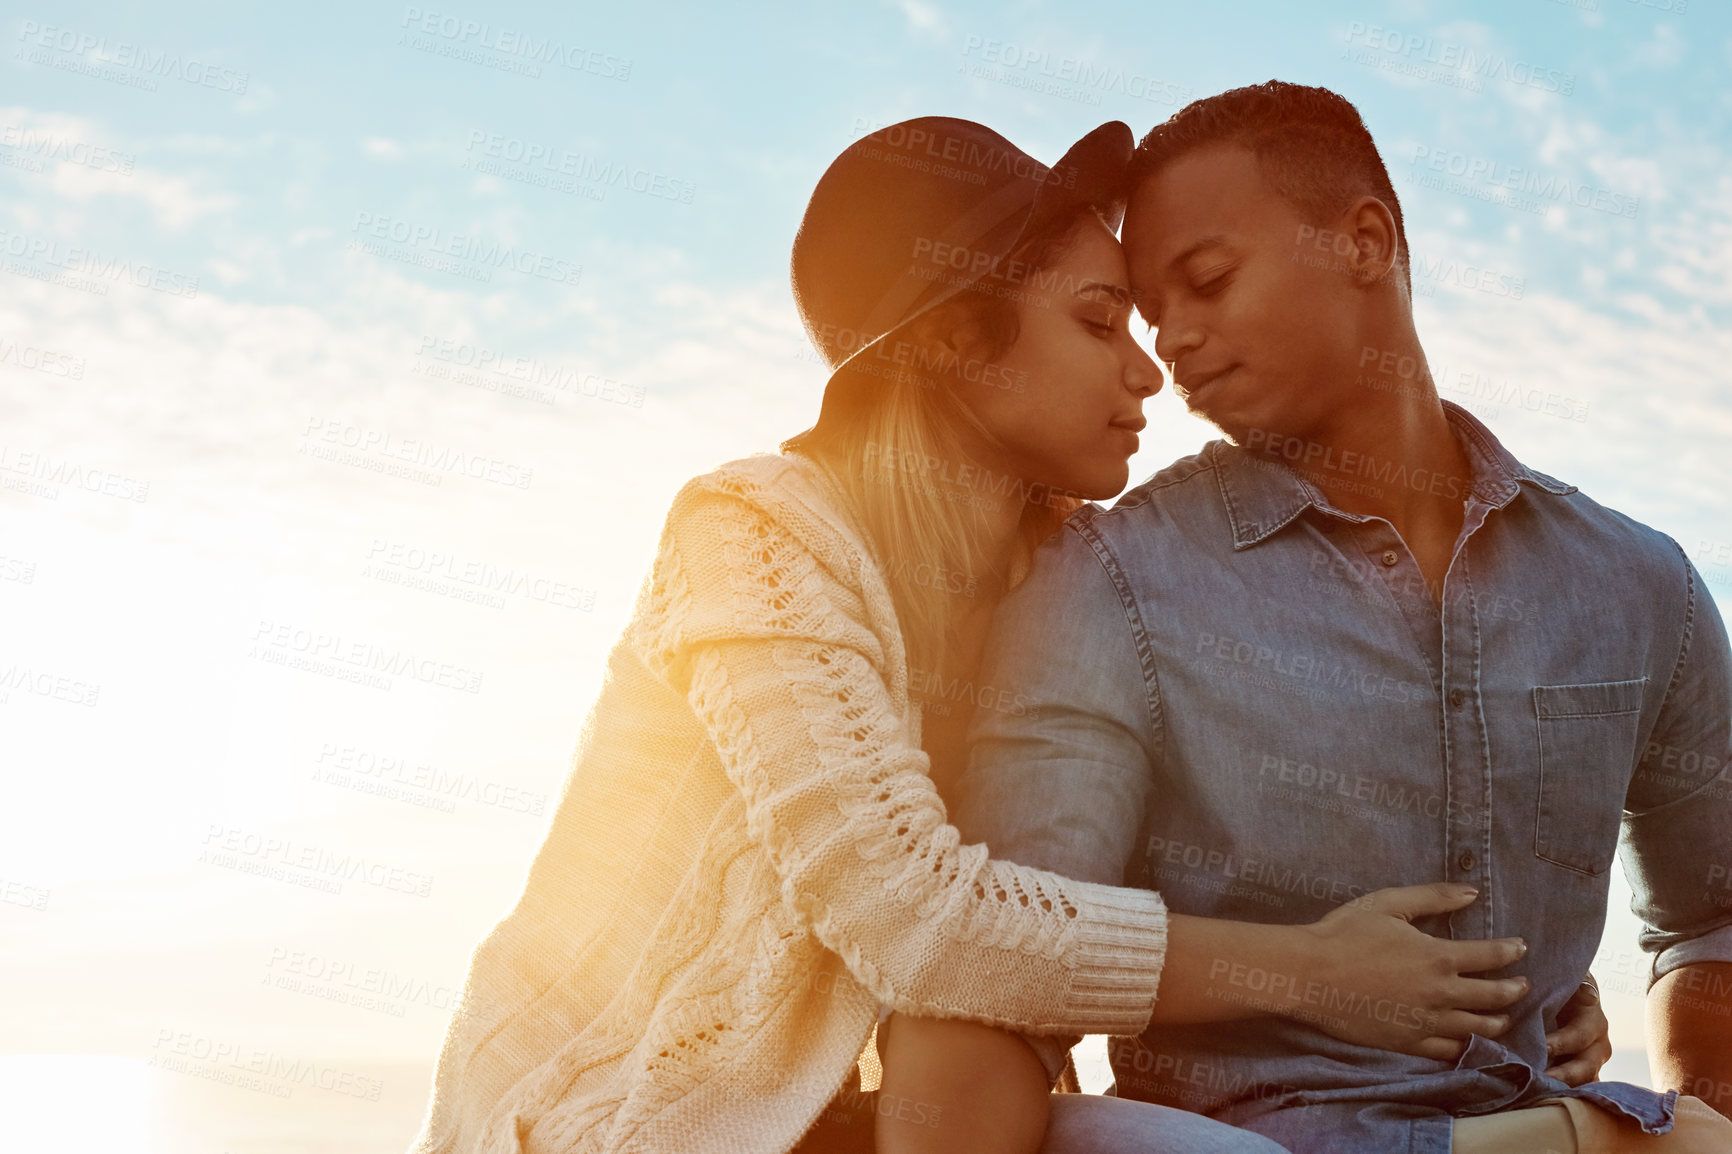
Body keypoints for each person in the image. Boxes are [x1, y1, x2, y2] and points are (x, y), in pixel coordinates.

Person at [406, 115, 1604, 1154]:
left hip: (853, 1123)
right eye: (1097, 322)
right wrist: (1309, 974)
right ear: (949, 345)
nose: (1152, 369)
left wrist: (1499, 984)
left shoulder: (1067, 578)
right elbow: (916, 917)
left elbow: (1149, 865)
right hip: (621, 1121)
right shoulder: (756, 534)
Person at [895, 83, 1732, 1154]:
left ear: (1364, 240)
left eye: (1206, 281)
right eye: (1152, 315)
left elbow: (1709, 913)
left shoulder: (1636, 583)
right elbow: (1013, 969)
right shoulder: (1111, 579)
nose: (1174, 345)